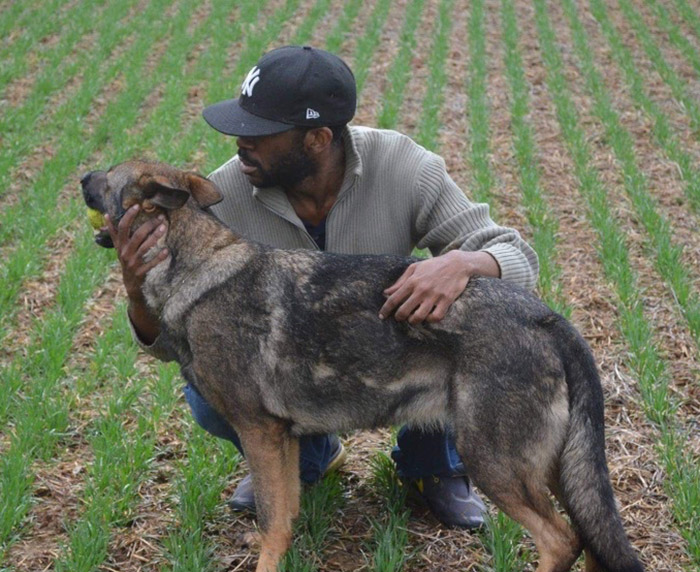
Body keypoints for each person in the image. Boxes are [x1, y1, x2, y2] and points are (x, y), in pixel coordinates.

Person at [108, 46, 539, 529]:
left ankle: (432, 467)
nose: (238, 141)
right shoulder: (224, 195)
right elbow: (170, 347)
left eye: (258, 132)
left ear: (316, 139)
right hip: (305, 371)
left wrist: (464, 261)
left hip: (402, 351)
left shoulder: (405, 167)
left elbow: (516, 258)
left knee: (460, 317)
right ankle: (308, 457)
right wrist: (136, 289)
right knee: (207, 395)